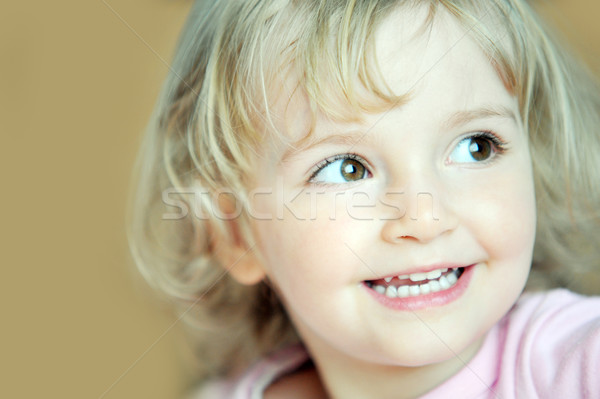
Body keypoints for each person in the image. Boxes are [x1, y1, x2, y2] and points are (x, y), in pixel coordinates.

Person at [127, 0, 600, 397]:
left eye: (476, 146)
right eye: (346, 169)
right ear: (234, 233)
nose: (425, 216)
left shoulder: (569, 364)